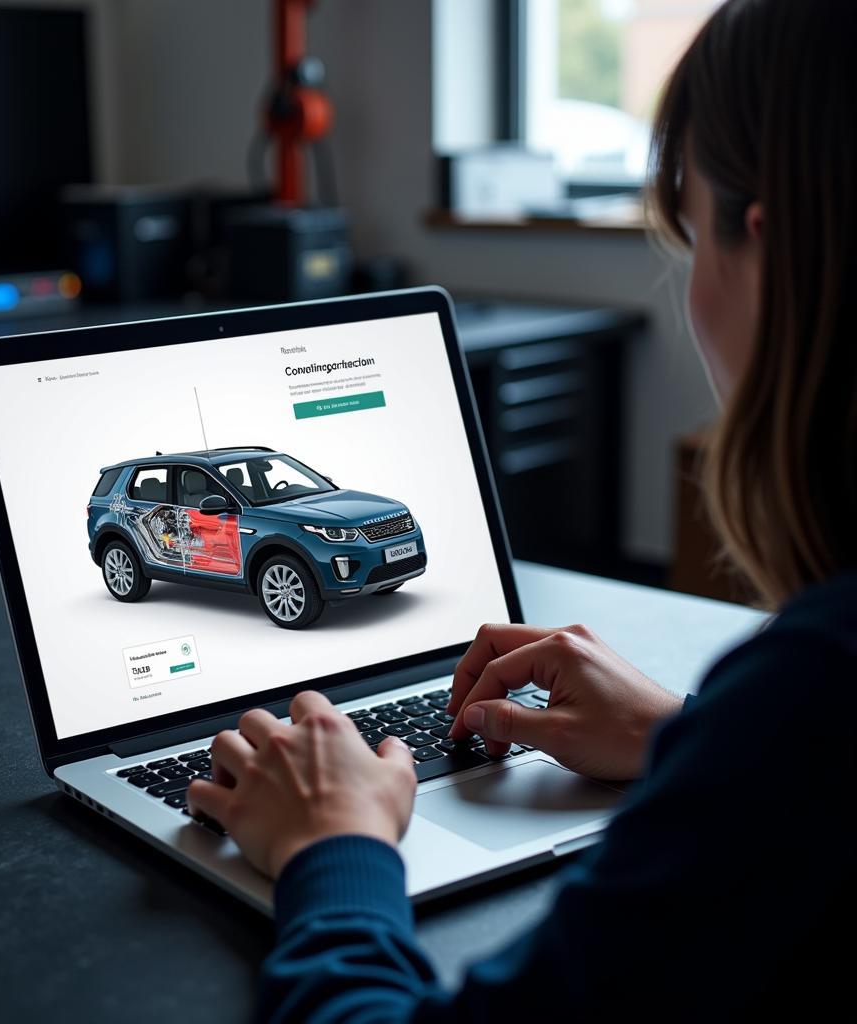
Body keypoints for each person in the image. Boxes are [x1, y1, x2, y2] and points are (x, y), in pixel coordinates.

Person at [186, 0, 857, 1018]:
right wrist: (692, 740)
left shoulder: (813, 695)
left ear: (761, 248)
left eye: (688, 239)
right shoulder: (797, 713)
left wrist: (336, 850)